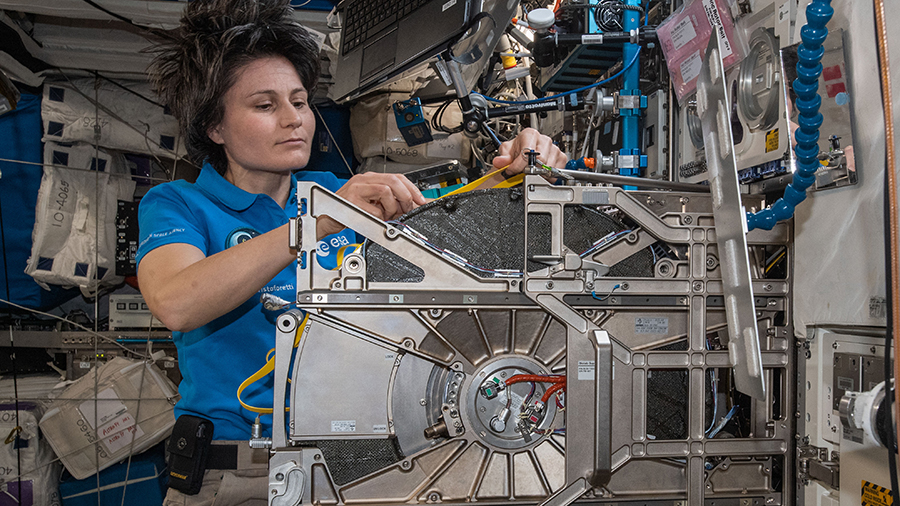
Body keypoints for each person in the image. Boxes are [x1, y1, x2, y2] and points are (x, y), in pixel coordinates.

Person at [137, 0, 567, 504]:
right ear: (215, 127)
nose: (293, 119)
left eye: (299, 102)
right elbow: (177, 302)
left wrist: (523, 177)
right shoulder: (181, 204)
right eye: (264, 105)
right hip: (233, 476)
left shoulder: (342, 194)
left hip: (355, 469)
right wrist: (315, 223)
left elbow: (464, 238)